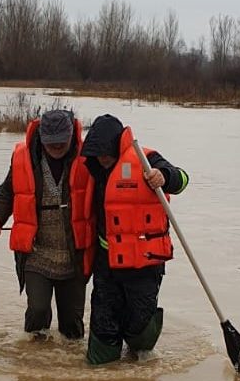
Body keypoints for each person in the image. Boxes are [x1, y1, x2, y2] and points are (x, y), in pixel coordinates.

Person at [80, 114, 189, 365]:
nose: (102, 157)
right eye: (97, 153)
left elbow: (182, 179)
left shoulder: (146, 158)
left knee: (139, 331)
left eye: (105, 152)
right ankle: (101, 373)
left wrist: (164, 176)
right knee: (103, 331)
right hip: (106, 264)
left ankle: (139, 346)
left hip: (144, 265)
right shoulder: (93, 169)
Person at [0, 110, 95, 340]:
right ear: (42, 138)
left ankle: (70, 369)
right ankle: (32, 367)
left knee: (72, 324)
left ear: (71, 136)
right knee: (37, 311)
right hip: (36, 253)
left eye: (61, 143)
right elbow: (7, 192)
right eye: (51, 143)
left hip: (73, 254)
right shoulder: (23, 157)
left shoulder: (89, 157)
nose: (56, 148)